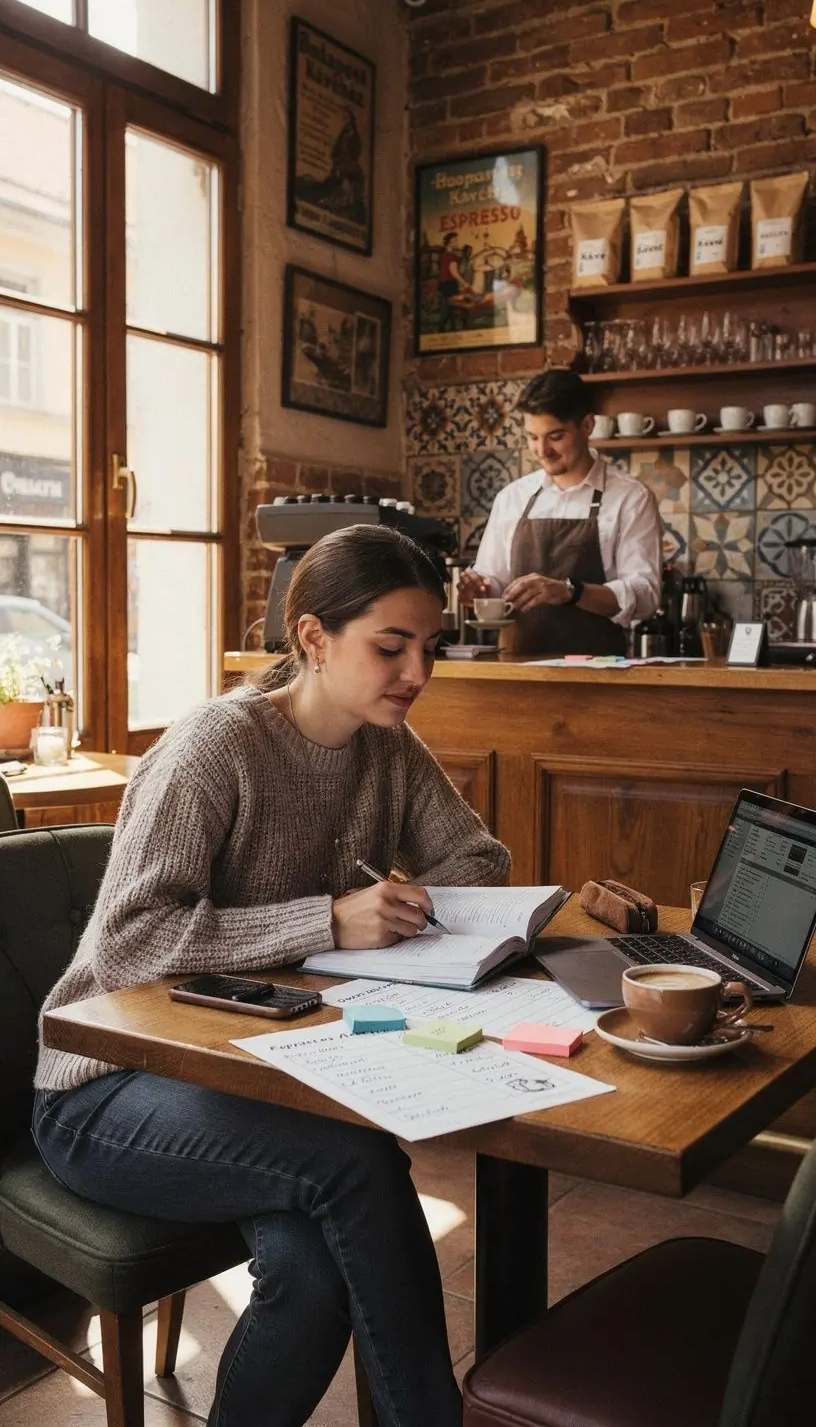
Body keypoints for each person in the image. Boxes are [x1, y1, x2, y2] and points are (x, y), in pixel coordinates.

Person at [32, 525, 510, 1427]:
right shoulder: (216, 746)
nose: (417, 672)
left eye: (430, 647)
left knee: (314, 1273)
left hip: (251, 1076)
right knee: (359, 1164)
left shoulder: (386, 745)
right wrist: (327, 920)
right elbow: (131, 942)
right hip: (107, 1088)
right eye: (391, 647)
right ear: (314, 637)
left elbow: (480, 861)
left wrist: (411, 904)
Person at [458, 370, 662, 656]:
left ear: (587, 425)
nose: (542, 451)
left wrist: (570, 591)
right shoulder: (512, 498)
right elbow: (494, 583)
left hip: (598, 671)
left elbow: (646, 596)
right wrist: (478, 590)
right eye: (532, 437)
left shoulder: (630, 498)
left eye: (555, 436)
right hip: (516, 668)